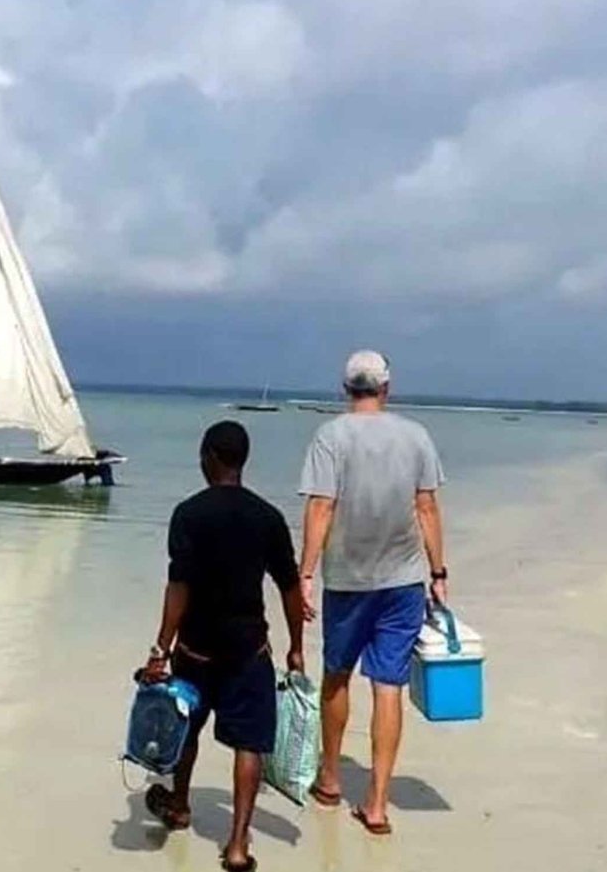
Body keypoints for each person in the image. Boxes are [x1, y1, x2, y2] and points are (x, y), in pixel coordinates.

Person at [141, 420, 304, 872]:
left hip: (195, 651)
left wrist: (160, 650)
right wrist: (296, 647)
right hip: (248, 652)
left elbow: (179, 586)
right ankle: (236, 846)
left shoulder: (189, 514)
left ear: (211, 456)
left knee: (185, 732)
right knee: (248, 745)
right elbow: (290, 587)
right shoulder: (268, 517)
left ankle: (179, 805)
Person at [297, 350, 447, 836]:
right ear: (386, 388)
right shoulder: (416, 435)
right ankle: (378, 803)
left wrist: (304, 574)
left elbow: (321, 508)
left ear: (345, 389)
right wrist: (439, 572)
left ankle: (331, 778)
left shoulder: (330, 436)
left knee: (336, 677)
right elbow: (427, 508)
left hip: (347, 580)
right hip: (403, 580)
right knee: (388, 686)